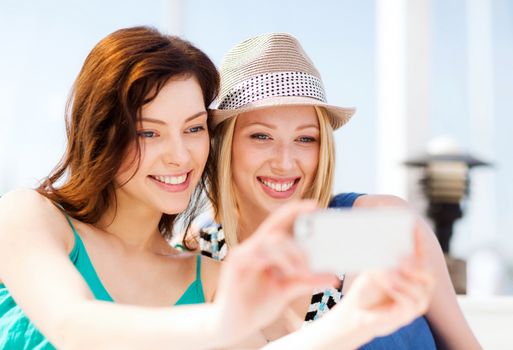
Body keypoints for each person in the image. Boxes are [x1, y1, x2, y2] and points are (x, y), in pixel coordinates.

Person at [0, 26, 434, 350]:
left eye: (192, 129)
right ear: (101, 132)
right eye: (149, 133)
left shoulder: (209, 273)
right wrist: (223, 321)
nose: (180, 155)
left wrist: (355, 321)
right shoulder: (31, 215)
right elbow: (72, 325)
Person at [200, 32, 481, 349]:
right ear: (223, 144)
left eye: (306, 139)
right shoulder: (202, 257)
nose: (284, 161)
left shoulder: (375, 224)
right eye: (261, 137)